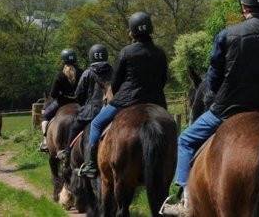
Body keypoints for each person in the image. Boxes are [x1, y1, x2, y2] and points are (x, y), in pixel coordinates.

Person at [161, 0, 259, 215]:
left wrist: (211, 100)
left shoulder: (227, 35)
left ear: (243, 5)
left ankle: (185, 200)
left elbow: (213, 78)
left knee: (186, 140)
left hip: (229, 110)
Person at [79, 11, 168, 178]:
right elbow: (163, 80)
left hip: (126, 101)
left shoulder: (126, 52)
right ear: (150, 30)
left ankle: (90, 164)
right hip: (156, 103)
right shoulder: (160, 53)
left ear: (132, 32)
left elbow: (117, 81)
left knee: (97, 123)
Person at [57, 44, 113, 166]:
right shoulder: (113, 71)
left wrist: (83, 104)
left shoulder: (88, 72)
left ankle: (67, 155)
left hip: (91, 111)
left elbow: (79, 93)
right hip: (110, 109)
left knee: (74, 128)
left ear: (91, 57)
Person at [39, 48, 84, 152]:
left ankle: (45, 142)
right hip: (79, 103)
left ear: (63, 60)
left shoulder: (59, 75)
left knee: (45, 116)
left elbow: (53, 94)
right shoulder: (82, 72)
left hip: (62, 103)